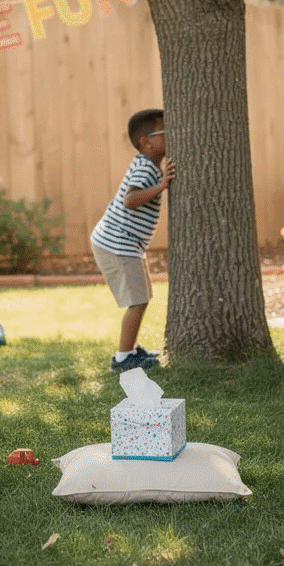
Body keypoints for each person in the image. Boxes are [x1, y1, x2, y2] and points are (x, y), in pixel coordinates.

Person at [90, 108, 175, 372]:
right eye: (165, 131)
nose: (172, 135)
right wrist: (162, 186)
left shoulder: (147, 165)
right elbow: (130, 200)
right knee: (137, 300)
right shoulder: (146, 168)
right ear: (146, 141)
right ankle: (123, 357)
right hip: (118, 243)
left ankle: (132, 348)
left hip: (124, 243)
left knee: (142, 296)